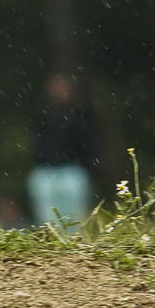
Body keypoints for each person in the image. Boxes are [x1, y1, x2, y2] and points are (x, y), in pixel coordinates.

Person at [28, 74, 97, 229]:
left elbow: (87, 145)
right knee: (46, 220)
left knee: (75, 219)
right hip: (46, 172)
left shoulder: (80, 115)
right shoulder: (44, 114)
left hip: (72, 171)